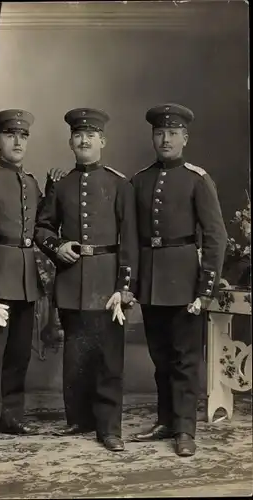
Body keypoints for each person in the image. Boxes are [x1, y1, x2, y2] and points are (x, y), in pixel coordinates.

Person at [0, 109, 65, 454]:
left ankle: (9, 417)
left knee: (17, 356)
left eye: (23, 136)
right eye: (10, 136)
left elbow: (35, 229)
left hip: (24, 282)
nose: (18, 142)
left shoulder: (30, 182)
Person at [34, 108, 139, 452]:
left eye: (90, 136)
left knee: (109, 358)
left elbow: (130, 239)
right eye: (78, 136)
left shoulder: (119, 184)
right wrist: (57, 246)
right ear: (70, 141)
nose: (83, 141)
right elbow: (42, 228)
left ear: (102, 141)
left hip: (107, 283)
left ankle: (109, 428)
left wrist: (124, 287)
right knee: (76, 356)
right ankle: (78, 419)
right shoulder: (61, 185)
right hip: (72, 281)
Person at [130, 103, 228, 456]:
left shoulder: (197, 179)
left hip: (186, 283)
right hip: (152, 282)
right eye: (159, 133)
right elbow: (132, 236)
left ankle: (185, 429)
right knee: (161, 358)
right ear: (153, 137)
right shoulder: (139, 180)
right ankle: (166, 420)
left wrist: (206, 289)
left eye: (172, 133)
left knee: (186, 358)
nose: (165, 139)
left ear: (185, 138)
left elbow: (216, 237)